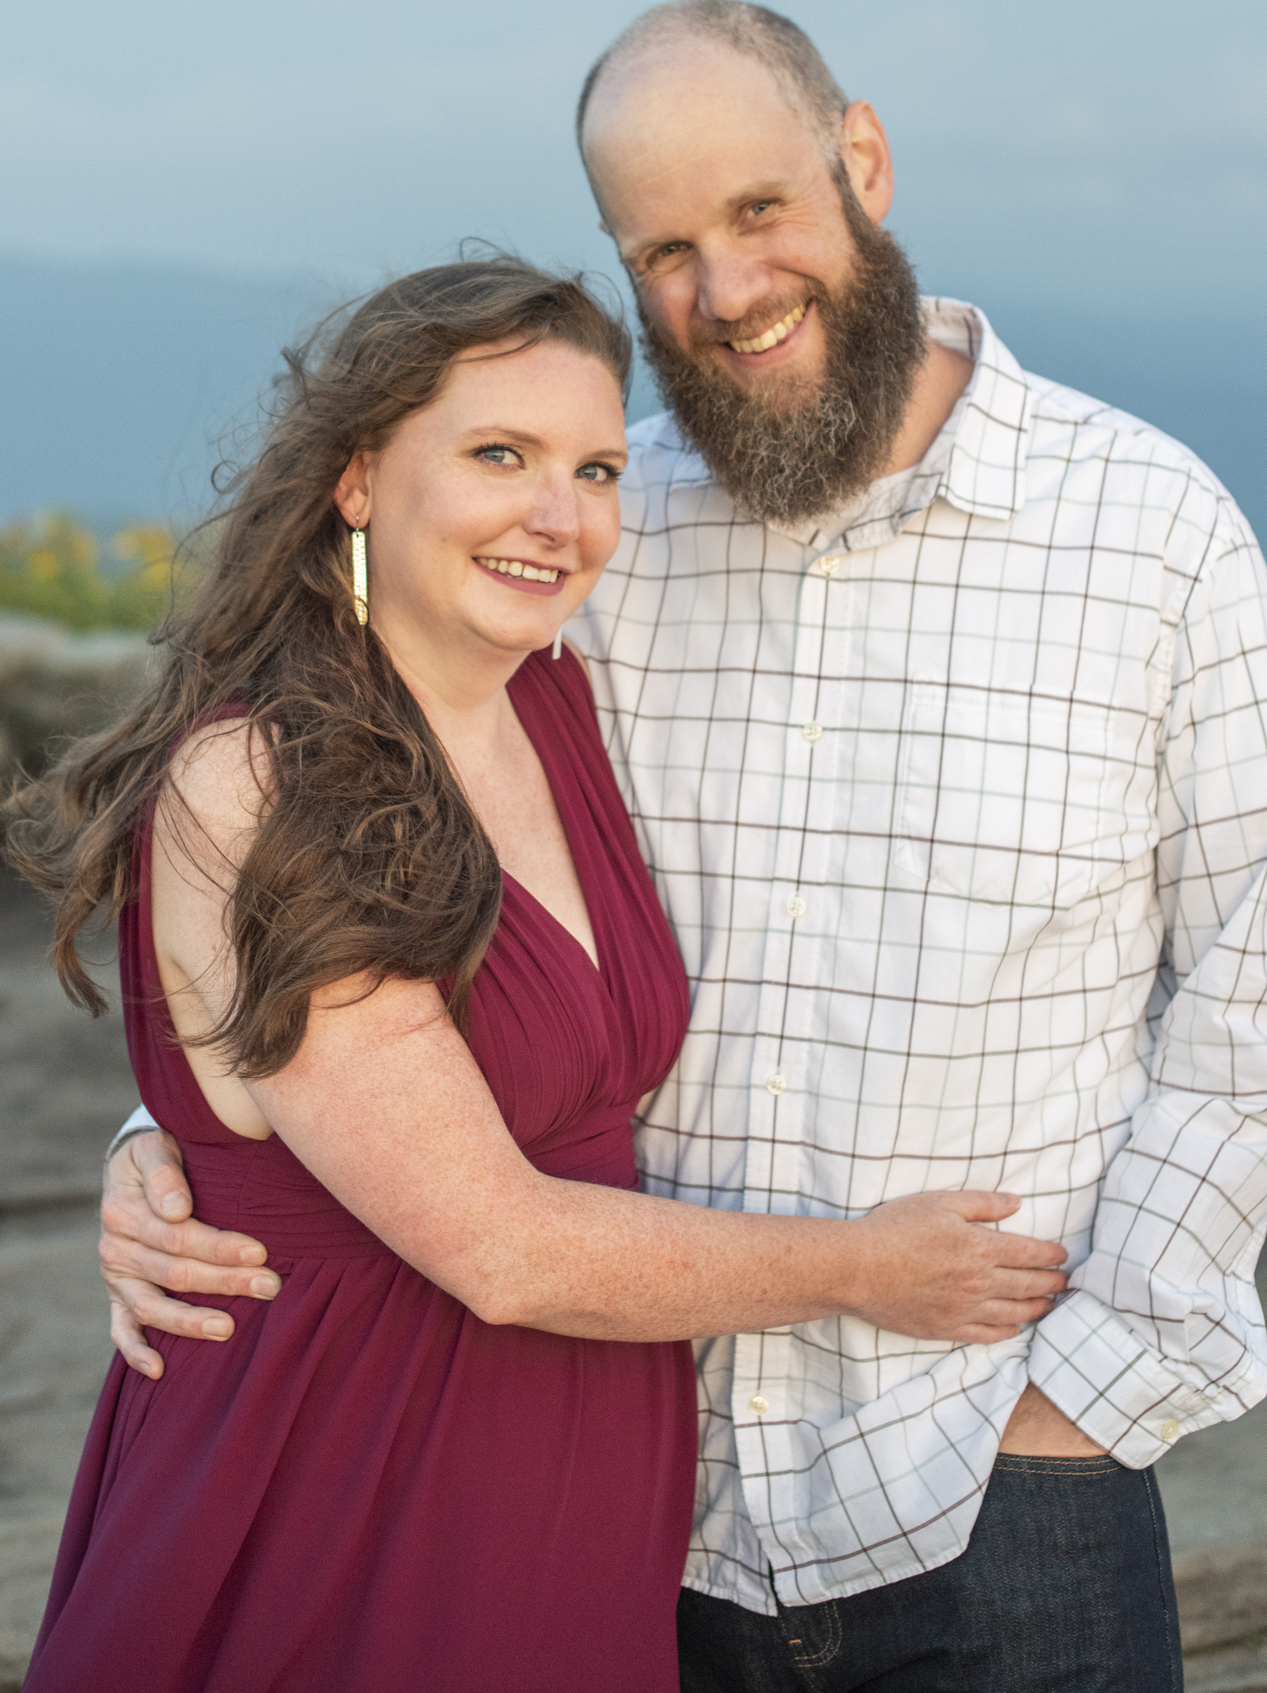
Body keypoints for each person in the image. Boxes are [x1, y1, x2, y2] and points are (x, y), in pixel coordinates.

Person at [99, 0, 1267, 1690]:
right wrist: (185, 1123)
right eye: (664, 247)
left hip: (999, 1484)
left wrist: (1087, 1392)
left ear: (860, 161)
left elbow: (1247, 985)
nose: (726, 290)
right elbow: (372, 866)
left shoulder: (1151, 535)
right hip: (660, 1497)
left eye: (760, 211)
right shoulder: (599, 547)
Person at [8, 255, 1066, 1693]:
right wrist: (873, 1268)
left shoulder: (555, 705)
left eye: (598, 468)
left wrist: (157, 1141)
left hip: (577, 1471)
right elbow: (497, 1247)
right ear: (362, 477)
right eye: (499, 455)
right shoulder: (258, 779)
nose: (560, 518)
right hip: (345, 1472)